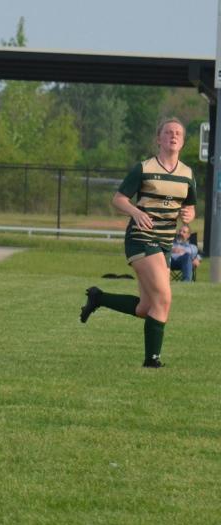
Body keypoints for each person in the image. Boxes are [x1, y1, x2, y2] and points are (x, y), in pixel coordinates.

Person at [80, 117, 196, 368]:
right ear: (158, 139)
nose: (173, 136)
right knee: (164, 298)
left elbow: (190, 207)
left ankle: (98, 298)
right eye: (168, 132)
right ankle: (152, 360)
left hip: (165, 243)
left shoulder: (187, 174)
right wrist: (135, 211)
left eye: (178, 133)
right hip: (141, 238)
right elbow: (118, 199)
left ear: (183, 141)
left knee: (146, 307)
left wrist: (189, 215)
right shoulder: (143, 168)